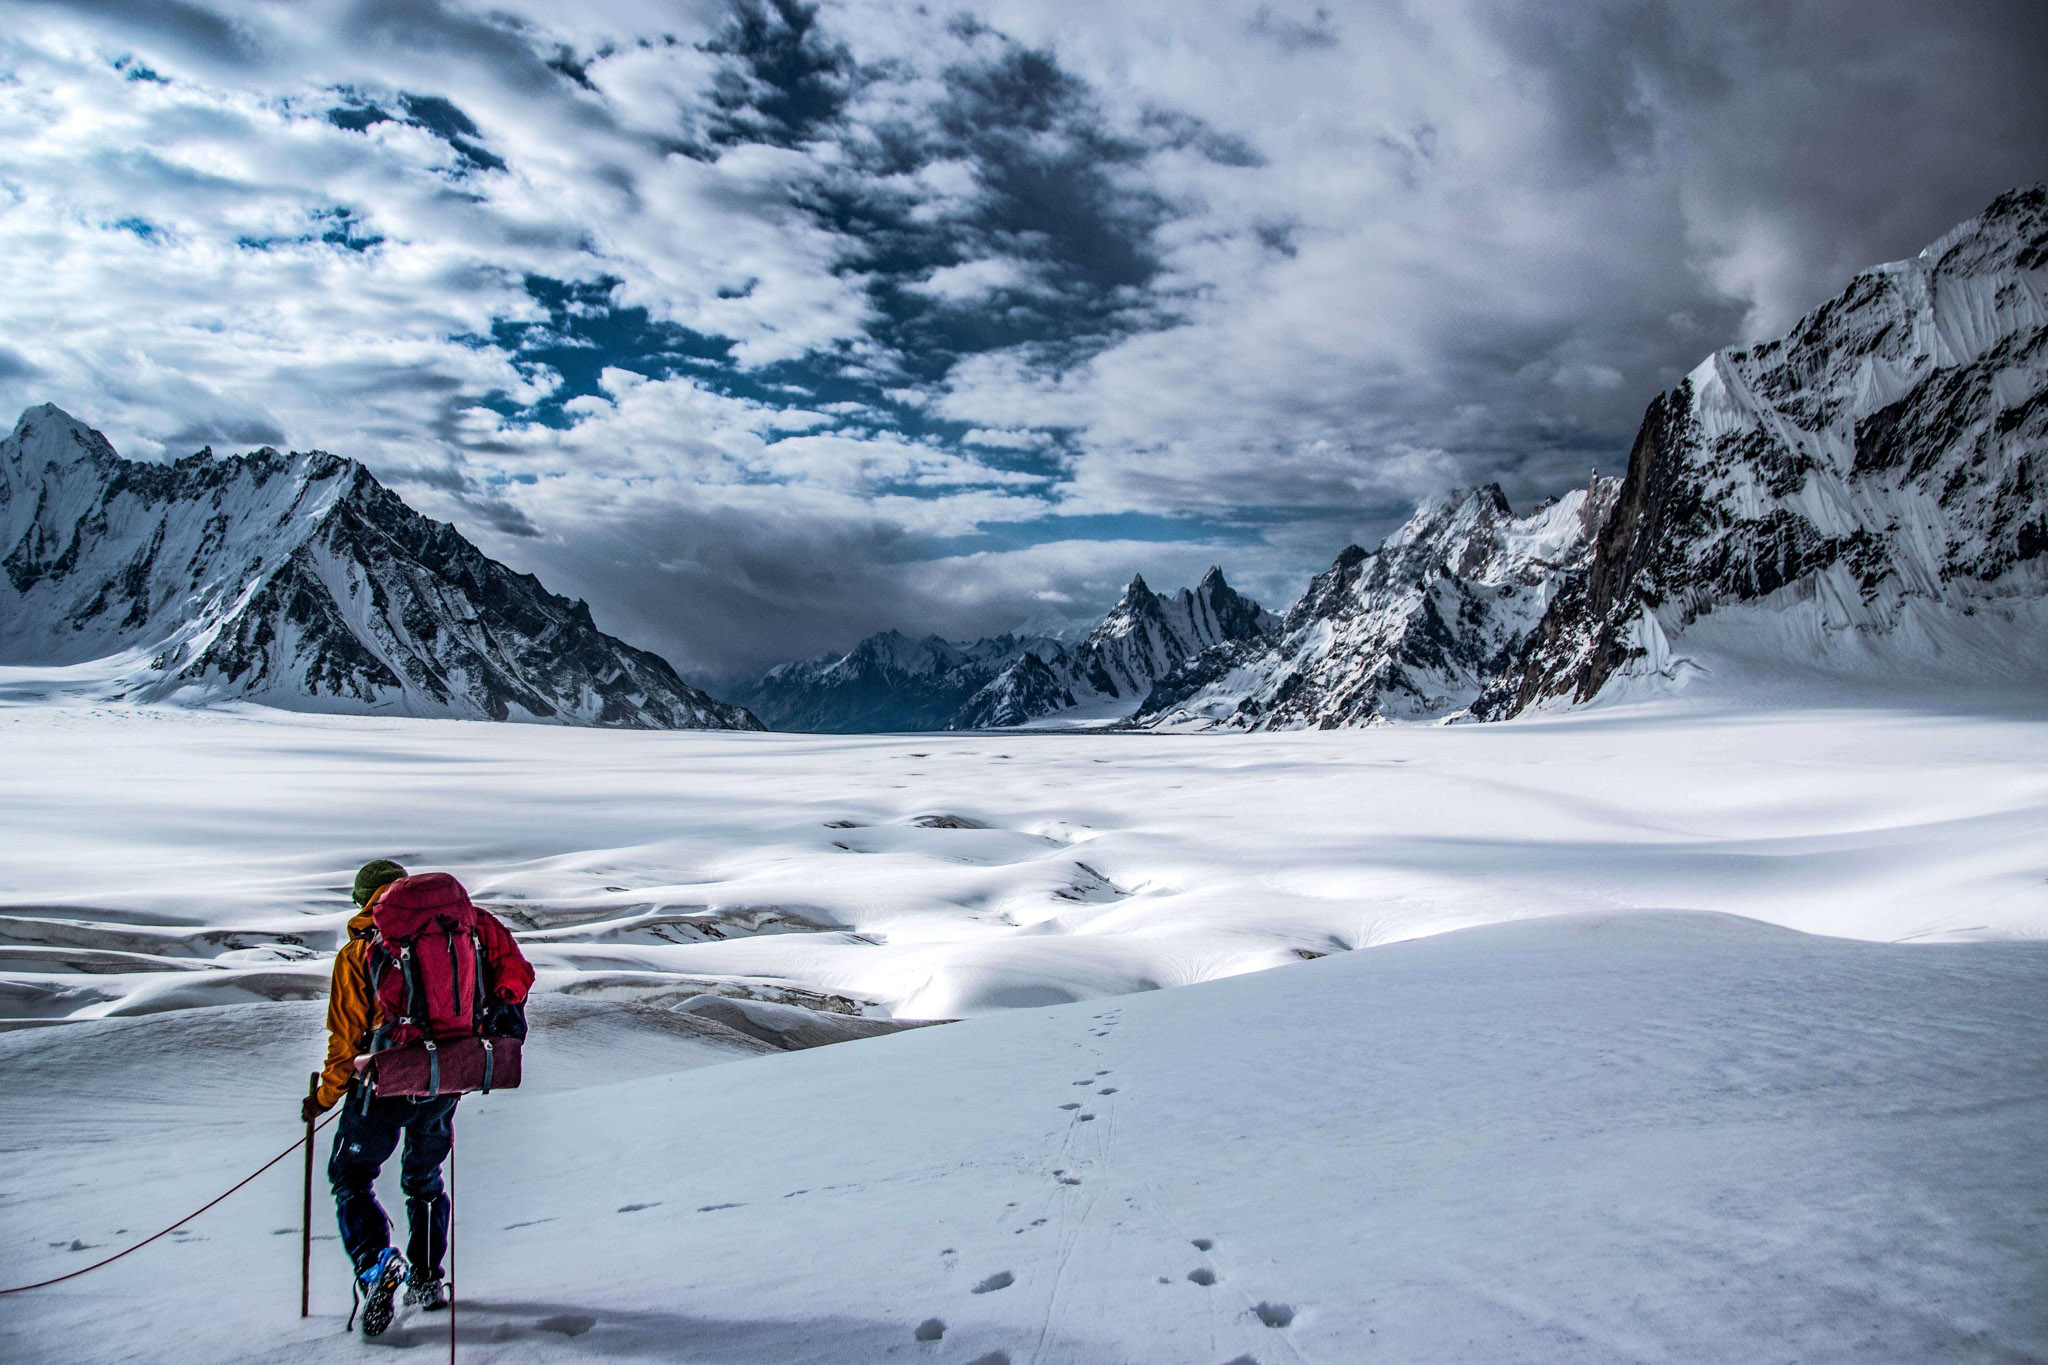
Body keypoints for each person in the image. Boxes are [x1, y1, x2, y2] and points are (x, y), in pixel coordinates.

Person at [301, 859, 534, 1336]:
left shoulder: (361, 948)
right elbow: (514, 976)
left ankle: (374, 1264)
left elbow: (345, 1042)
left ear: (366, 897)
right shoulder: (465, 924)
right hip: (449, 1071)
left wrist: (324, 1099)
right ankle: (427, 1280)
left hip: (384, 1077)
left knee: (350, 1174)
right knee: (424, 1178)